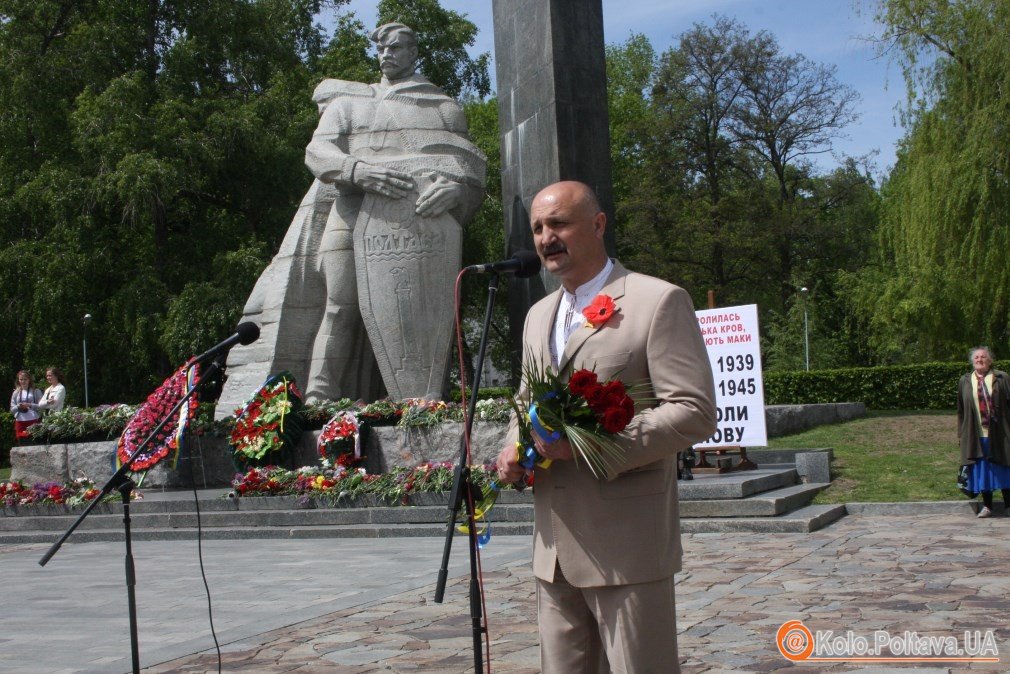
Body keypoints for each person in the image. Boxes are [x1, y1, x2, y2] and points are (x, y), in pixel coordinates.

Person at [495, 181, 717, 673]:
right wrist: (513, 446)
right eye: (537, 228)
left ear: (598, 225)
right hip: (553, 550)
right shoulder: (537, 316)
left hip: (627, 546)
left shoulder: (657, 301)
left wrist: (590, 447)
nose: (547, 237)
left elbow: (694, 409)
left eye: (559, 223)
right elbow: (526, 401)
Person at [957, 346, 1010, 517]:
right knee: (983, 471)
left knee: (1004, 467)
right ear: (972, 361)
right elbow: (961, 410)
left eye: (983, 357)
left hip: (1000, 433)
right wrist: (962, 433)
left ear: (990, 360)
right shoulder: (965, 380)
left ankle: (1009, 504)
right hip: (976, 434)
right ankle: (987, 506)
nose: (980, 359)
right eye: (976, 357)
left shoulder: (1002, 378)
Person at [10, 370, 43, 443]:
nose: (23, 381)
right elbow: (12, 409)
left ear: (29, 380)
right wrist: (19, 406)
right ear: (18, 380)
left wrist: (30, 405)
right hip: (20, 421)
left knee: (34, 442)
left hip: (33, 420)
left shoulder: (36, 391)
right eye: (21, 379)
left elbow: (41, 406)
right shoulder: (16, 393)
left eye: (25, 379)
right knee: (21, 443)